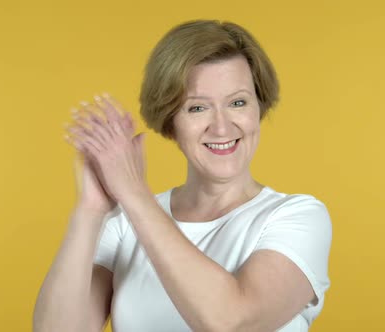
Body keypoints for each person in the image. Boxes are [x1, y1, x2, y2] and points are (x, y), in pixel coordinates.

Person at [33, 19, 332, 332]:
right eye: (197, 108)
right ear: (171, 121)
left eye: (238, 102)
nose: (221, 127)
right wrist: (90, 211)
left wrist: (135, 194)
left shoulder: (297, 217)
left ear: (259, 108)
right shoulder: (124, 225)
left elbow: (232, 322)